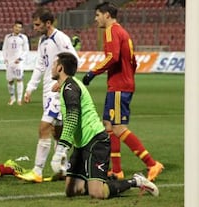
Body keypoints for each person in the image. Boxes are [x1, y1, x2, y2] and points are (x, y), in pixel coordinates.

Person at [51, 51, 159, 199]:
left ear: (59, 68)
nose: (51, 67)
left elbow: (72, 118)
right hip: (82, 144)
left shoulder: (70, 88)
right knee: (73, 190)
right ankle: (103, 180)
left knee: (98, 193)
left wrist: (61, 149)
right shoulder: (68, 85)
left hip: (95, 141)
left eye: (53, 64)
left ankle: (136, 181)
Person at [82, 2, 164, 181]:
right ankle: (117, 170)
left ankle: (152, 163)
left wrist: (92, 73)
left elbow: (113, 57)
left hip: (119, 87)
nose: (96, 19)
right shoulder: (123, 32)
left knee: (118, 128)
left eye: (97, 15)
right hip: (120, 85)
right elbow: (133, 62)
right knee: (109, 125)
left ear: (106, 15)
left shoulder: (111, 31)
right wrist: (127, 77)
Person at [15, 7, 78, 183]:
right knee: (57, 132)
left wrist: (63, 81)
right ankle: (64, 170)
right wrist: (30, 88)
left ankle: (37, 171)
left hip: (57, 92)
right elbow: (40, 66)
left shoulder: (60, 38)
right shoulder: (43, 41)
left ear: (48, 23)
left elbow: (74, 59)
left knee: (44, 128)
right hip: (47, 91)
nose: (34, 28)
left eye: (37, 24)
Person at [2, 20, 30, 106]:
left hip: (18, 62)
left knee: (19, 79)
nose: (18, 29)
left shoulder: (23, 38)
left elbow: (26, 50)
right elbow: (4, 48)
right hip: (9, 62)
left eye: (20, 27)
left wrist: (20, 58)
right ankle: (12, 98)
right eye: (17, 27)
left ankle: (19, 99)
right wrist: (5, 58)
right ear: (13, 27)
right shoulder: (8, 37)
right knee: (10, 81)